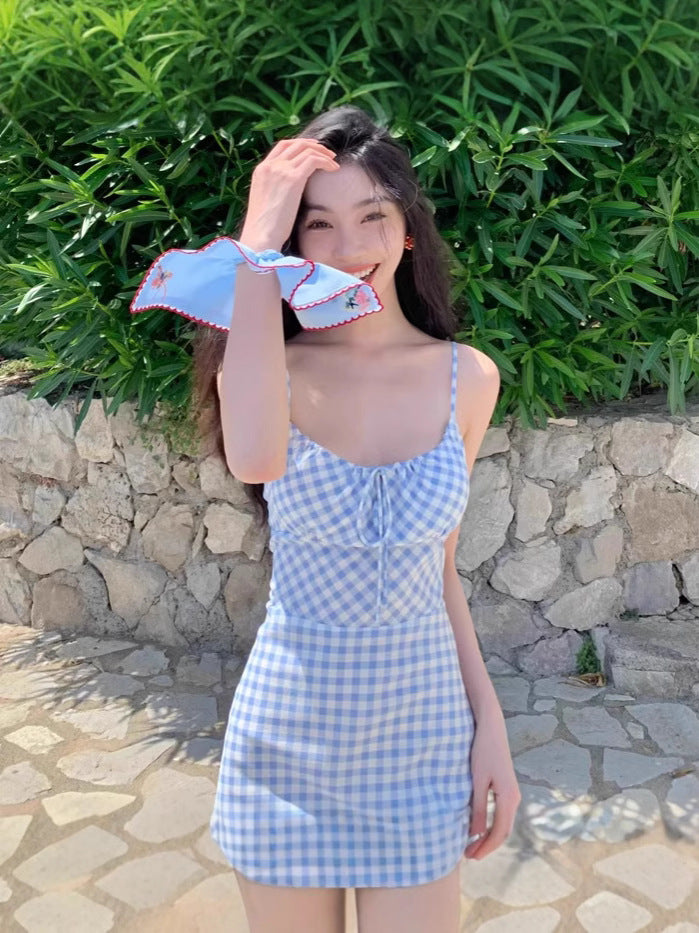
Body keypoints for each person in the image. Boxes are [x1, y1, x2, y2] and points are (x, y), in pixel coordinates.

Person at [208, 106, 521, 933]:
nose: (348, 245)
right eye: (317, 223)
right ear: (293, 244)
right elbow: (252, 458)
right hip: (285, 744)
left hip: (420, 741)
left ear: (407, 230)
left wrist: (489, 726)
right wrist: (255, 238)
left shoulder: (467, 378)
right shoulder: (267, 367)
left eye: (371, 215)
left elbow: (439, 569)